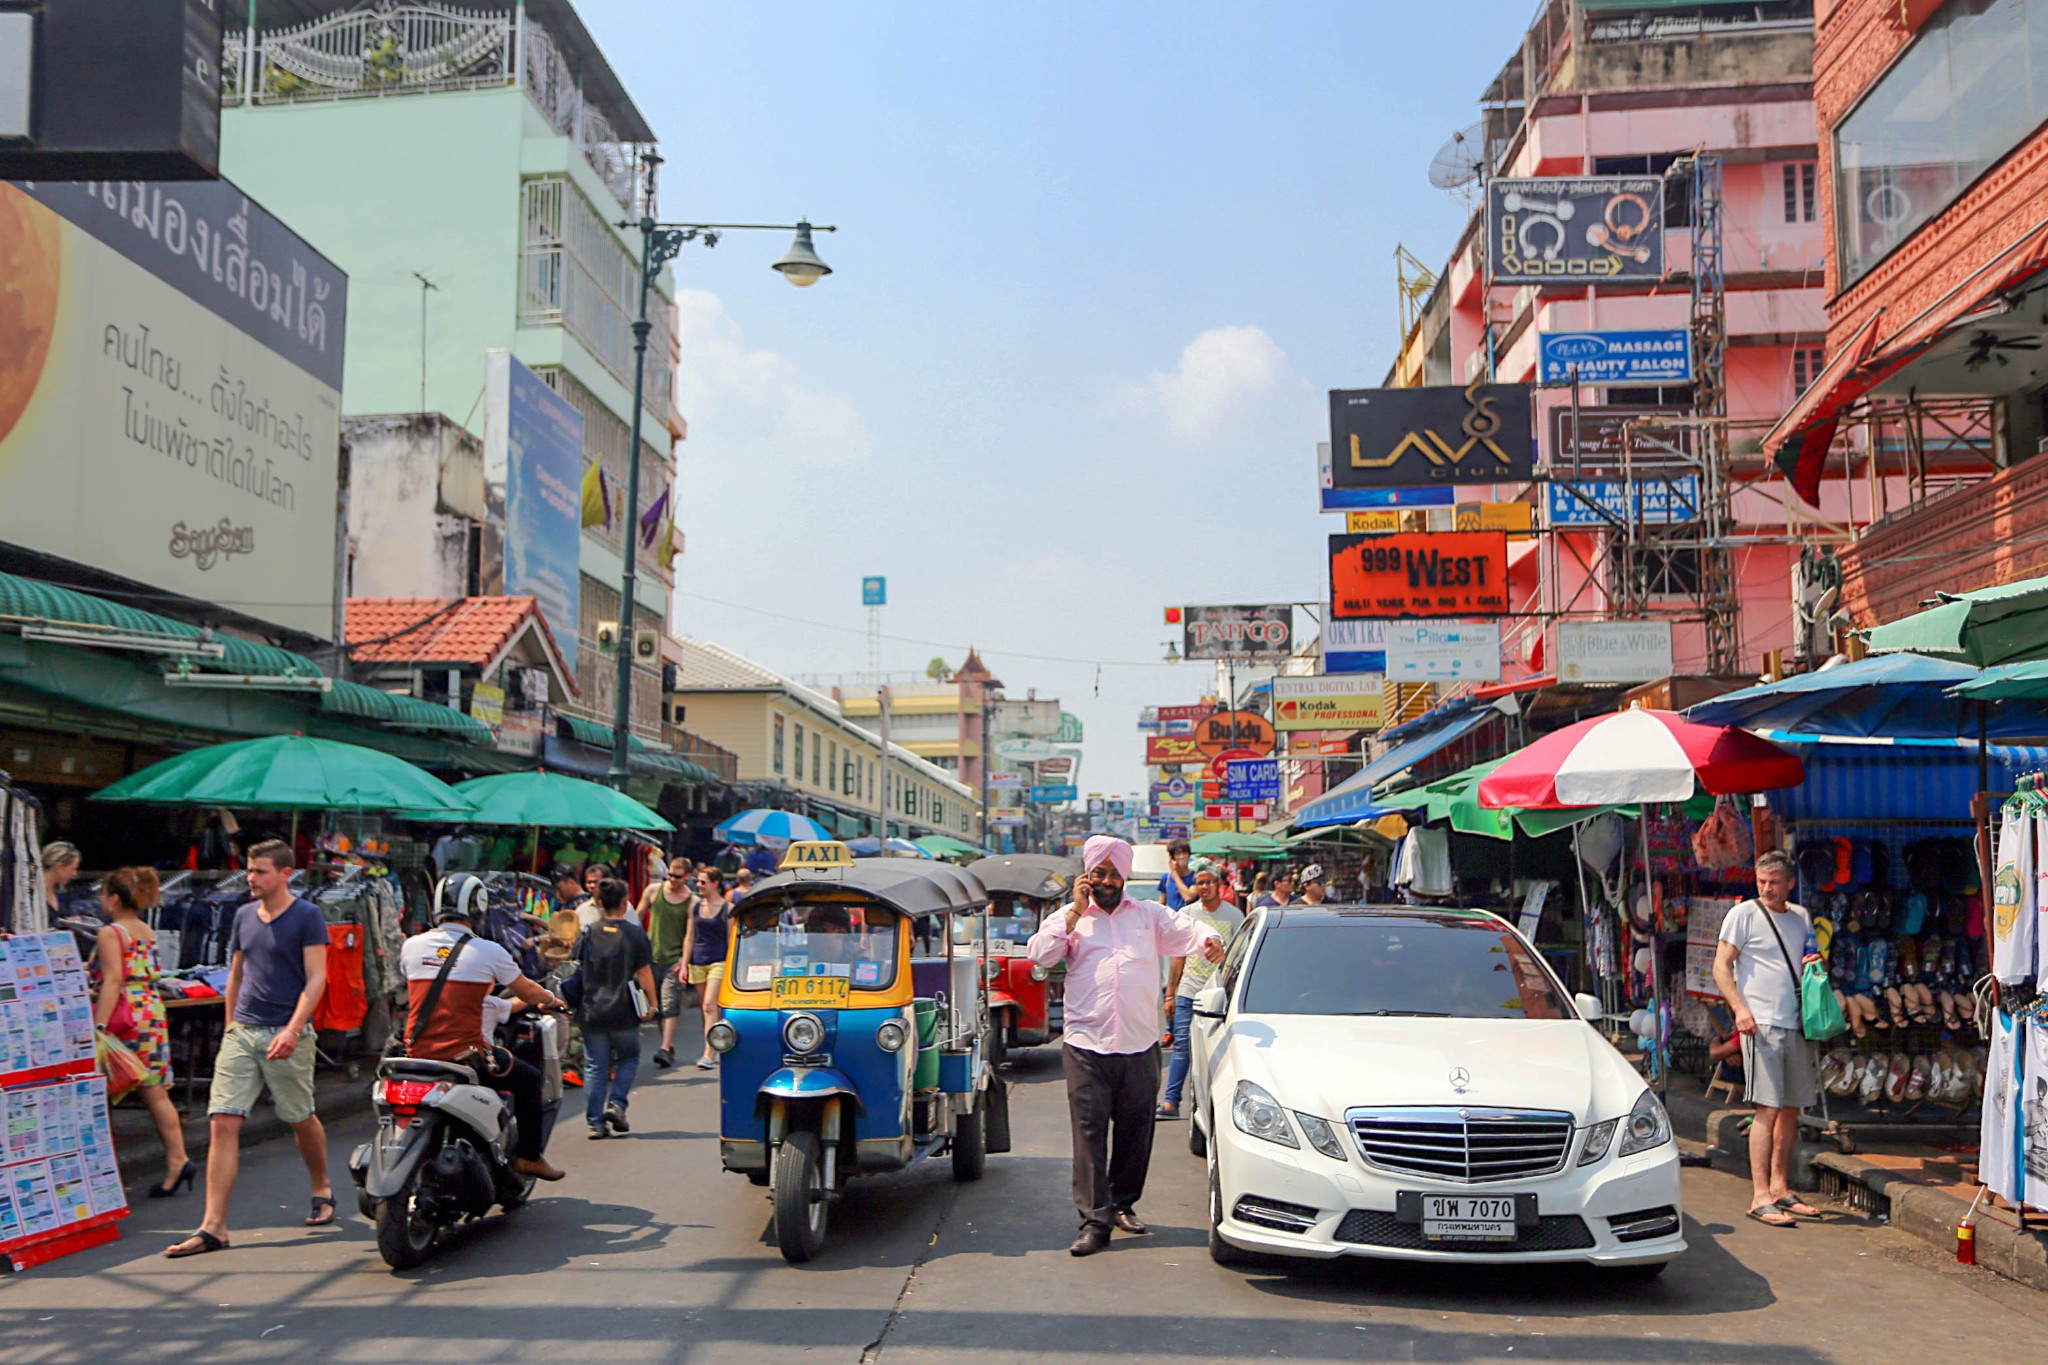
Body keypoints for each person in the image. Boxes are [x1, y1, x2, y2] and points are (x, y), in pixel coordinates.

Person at [1027, 835, 1223, 1257]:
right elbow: (1040, 955)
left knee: (1136, 1134)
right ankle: (1094, 1222)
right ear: (1087, 874)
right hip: (1086, 1046)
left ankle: (1122, 1205)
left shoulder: (1149, 916)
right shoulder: (1070, 917)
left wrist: (1208, 939)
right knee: (1089, 1134)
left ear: (1126, 876)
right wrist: (1077, 910)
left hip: (1139, 1045)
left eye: (1115, 873)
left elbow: (1188, 928)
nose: (1108, 880)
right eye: (1100, 872)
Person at [167, 841, 332, 1258]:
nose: (251, 878)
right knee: (223, 1121)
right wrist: (230, 1026)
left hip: (286, 1032)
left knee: (300, 1117)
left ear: (285, 874)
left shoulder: (308, 917)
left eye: (259, 871)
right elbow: (236, 973)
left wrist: (294, 1029)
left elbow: (317, 980)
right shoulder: (242, 914)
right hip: (243, 1032)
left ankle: (321, 1185)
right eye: (250, 870)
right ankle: (214, 1227)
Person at [396, 874, 567, 1180]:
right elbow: (528, 992)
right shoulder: (489, 951)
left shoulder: (411, 946)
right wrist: (551, 998)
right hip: (470, 1054)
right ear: (478, 908)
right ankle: (529, 1157)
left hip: (417, 1051)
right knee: (530, 1080)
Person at [1712, 849, 1823, 1228]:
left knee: (1791, 1108)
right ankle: (1759, 1195)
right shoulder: (1742, 915)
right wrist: (1740, 1010)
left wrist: (1814, 964)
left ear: (1790, 883)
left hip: (1796, 1023)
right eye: (1761, 881)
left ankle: (1780, 1186)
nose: (1767, 888)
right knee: (1767, 1108)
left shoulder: (1801, 917)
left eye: (1774, 882)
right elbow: (1721, 966)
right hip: (1761, 1024)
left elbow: (1810, 957)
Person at [92, 867, 194, 1197]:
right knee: (154, 1089)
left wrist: (99, 1027)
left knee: (104, 1087)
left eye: (104, 894)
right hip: (151, 1009)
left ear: (114, 899)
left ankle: (105, 1173)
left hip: (125, 1013)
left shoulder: (111, 933)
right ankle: (178, 1160)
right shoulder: (146, 931)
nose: (100, 900)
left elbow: (112, 982)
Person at [1155, 860, 1243, 1120]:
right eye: (1200, 882)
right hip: (1188, 992)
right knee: (1182, 1047)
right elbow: (1177, 957)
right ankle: (1171, 1102)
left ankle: (1213, 1106)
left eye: (1209, 882)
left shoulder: (1234, 916)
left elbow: (1237, 958)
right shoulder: (1188, 915)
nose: (1204, 887)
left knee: (1218, 1051)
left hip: (1218, 997)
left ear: (1218, 884)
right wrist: (1170, 994)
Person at [575, 880, 655, 1137]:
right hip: (624, 1009)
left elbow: (575, 965)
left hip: (592, 1009)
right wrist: (652, 1004)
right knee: (628, 1057)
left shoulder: (588, 932)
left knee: (595, 1066)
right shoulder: (635, 933)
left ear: (599, 902)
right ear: (625, 902)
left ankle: (595, 1123)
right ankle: (617, 1103)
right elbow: (644, 972)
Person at [640, 856, 697, 1068]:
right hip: (650, 957)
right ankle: (668, 1045)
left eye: (677, 876)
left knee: (669, 1003)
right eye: (670, 875)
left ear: (687, 877)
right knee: (657, 1008)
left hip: (673, 959)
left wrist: (684, 960)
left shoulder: (692, 901)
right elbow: (637, 918)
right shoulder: (653, 891)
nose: (672, 879)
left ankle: (664, 1047)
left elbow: (689, 935)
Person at [680, 867, 733, 1070]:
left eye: (703, 882)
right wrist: (684, 964)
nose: (699, 886)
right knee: (707, 1009)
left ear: (715, 883)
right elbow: (689, 936)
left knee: (710, 1005)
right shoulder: (695, 907)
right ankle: (719, 1043)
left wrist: (730, 965)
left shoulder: (728, 908)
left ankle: (709, 1053)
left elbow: (730, 940)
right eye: (699, 882)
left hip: (718, 960)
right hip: (698, 960)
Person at [40, 840, 80, 916]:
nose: (74, 874)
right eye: (73, 868)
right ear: (59, 867)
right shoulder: (32, 893)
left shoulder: (59, 890)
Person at [1157, 839, 1195, 910]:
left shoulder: (1195, 877)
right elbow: (1162, 902)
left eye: (1184, 853)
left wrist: (1174, 873)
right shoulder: (1166, 878)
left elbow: (1188, 897)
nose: (1182, 857)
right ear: (1172, 858)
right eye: (1178, 854)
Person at [577, 863, 612, 929]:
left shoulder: (622, 906)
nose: (592, 886)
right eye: (589, 882)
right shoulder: (581, 910)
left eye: (595, 882)